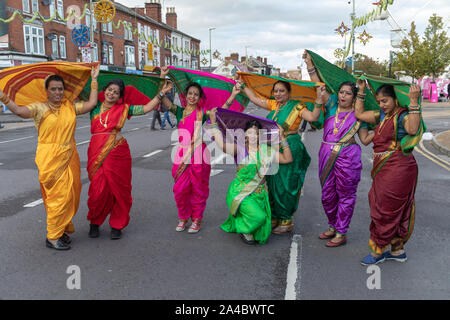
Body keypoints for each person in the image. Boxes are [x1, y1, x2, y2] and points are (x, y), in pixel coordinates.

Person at [0, 64, 99, 250]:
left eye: (60, 89)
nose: (57, 92)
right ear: (46, 91)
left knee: (72, 196)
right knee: (57, 197)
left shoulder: (70, 106)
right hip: (49, 157)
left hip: (70, 155)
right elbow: (20, 112)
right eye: (53, 89)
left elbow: (91, 104)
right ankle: (52, 236)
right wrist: (3, 97)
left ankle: (61, 230)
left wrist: (94, 80)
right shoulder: (39, 108)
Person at [87, 79, 174, 240]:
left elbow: (146, 108)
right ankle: (95, 222)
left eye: (116, 92)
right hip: (96, 152)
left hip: (117, 153)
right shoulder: (94, 106)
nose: (111, 93)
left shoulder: (123, 109)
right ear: (104, 90)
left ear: (120, 96)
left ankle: (117, 225)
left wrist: (161, 93)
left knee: (119, 191)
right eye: (109, 90)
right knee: (97, 191)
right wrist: (93, 79)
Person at [304, 51, 373, 247]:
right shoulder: (332, 105)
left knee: (346, 194)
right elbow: (318, 84)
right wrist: (310, 64)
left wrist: (385, 126)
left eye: (348, 93)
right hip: (326, 154)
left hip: (348, 158)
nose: (343, 95)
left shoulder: (360, 115)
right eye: (341, 92)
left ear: (354, 97)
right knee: (327, 194)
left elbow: (365, 140)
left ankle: (341, 232)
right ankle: (333, 226)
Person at [159, 66, 240, 233]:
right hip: (182, 154)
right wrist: (163, 85)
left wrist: (232, 95)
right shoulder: (180, 111)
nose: (192, 97)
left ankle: (196, 219)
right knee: (180, 190)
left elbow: (220, 110)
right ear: (185, 95)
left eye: (196, 94)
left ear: (199, 97)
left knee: (198, 188)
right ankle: (183, 217)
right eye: (190, 93)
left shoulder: (202, 113)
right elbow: (166, 103)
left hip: (198, 154)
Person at [238, 77, 322, 235]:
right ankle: (275, 215)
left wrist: (318, 100)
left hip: (290, 146)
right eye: (275, 91)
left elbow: (313, 118)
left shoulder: (297, 107)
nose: (278, 94)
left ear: (289, 93)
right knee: (272, 182)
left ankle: (286, 219)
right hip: (272, 148)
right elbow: (255, 99)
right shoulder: (273, 105)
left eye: (281, 91)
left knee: (286, 184)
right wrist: (243, 86)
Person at [354, 80, 423, 265]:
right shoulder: (382, 116)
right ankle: (397, 249)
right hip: (384, 167)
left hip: (399, 168)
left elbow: (413, 129)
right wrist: (361, 91)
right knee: (389, 208)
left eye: (385, 101)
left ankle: (378, 251)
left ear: (395, 100)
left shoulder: (403, 116)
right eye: (379, 102)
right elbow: (359, 114)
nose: (381, 105)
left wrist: (414, 101)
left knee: (385, 209)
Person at [209, 109, 293, 244]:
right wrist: (213, 122)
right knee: (259, 218)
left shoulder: (266, 150)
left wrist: (282, 138)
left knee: (262, 230)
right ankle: (241, 227)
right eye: (249, 132)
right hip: (240, 192)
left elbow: (287, 159)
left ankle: (241, 218)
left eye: (256, 133)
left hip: (259, 194)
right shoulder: (240, 148)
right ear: (245, 134)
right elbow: (223, 146)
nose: (253, 135)